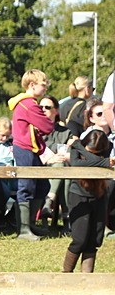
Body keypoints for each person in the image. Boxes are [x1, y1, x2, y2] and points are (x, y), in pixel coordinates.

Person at [8, 70, 55, 240]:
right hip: (24, 148)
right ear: (32, 85)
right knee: (26, 186)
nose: (45, 88)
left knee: (42, 186)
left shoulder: (28, 103)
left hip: (30, 148)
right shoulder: (29, 104)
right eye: (43, 85)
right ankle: (24, 229)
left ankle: (31, 225)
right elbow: (47, 126)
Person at [63, 128, 111, 272]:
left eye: (95, 153)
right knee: (79, 240)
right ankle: (66, 275)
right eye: (88, 151)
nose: (91, 155)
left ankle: (87, 278)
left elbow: (101, 161)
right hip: (78, 196)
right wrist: (78, 147)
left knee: (95, 240)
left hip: (99, 195)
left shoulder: (103, 149)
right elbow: (76, 164)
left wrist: (79, 147)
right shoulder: (76, 150)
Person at [39, 95, 74, 230]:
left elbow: (72, 151)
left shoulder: (66, 132)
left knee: (63, 169)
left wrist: (66, 154)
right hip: (40, 167)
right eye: (40, 107)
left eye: (47, 107)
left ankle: (48, 204)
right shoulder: (36, 130)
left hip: (62, 168)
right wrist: (51, 157)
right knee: (63, 169)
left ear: (56, 111)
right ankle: (67, 220)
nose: (43, 110)